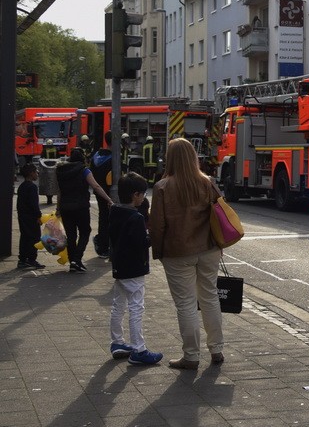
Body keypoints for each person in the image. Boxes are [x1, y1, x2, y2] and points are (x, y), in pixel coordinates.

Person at [149, 138, 224, 370]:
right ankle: (217, 349)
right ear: (193, 157)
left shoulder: (162, 187)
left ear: (170, 159)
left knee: (186, 303)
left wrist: (158, 251)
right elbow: (221, 214)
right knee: (210, 297)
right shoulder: (208, 183)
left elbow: (157, 225)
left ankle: (191, 356)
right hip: (209, 249)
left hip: (178, 251)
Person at [108, 172, 162, 366]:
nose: (144, 197)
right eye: (143, 193)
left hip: (120, 267)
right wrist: (153, 236)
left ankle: (117, 342)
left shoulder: (114, 211)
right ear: (135, 195)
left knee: (118, 304)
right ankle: (139, 349)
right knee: (136, 307)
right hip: (134, 268)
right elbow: (141, 243)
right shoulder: (136, 217)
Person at [55, 147, 114, 273]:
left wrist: (58, 208)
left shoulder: (61, 171)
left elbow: (59, 192)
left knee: (71, 235)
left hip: (65, 207)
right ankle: (77, 259)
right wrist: (108, 199)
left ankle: (73, 262)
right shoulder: (84, 170)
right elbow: (96, 186)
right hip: (80, 207)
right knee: (85, 231)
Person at [16, 163, 45, 270]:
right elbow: (34, 204)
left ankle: (22, 260)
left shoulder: (22, 186)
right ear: (31, 174)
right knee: (35, 238)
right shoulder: (32, 187)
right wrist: (38, 216)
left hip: (23, 216)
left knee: (24, 237)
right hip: (31, 217)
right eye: (35, 171)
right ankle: (31, 259)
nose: (37, 173)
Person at [91, 132, 115, 258]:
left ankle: (102, 244)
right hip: (111, 192)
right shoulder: (114, 158)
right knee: (110, 219)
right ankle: (103, 244)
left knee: (103, 217)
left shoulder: (96, 155)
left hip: (99, 192)